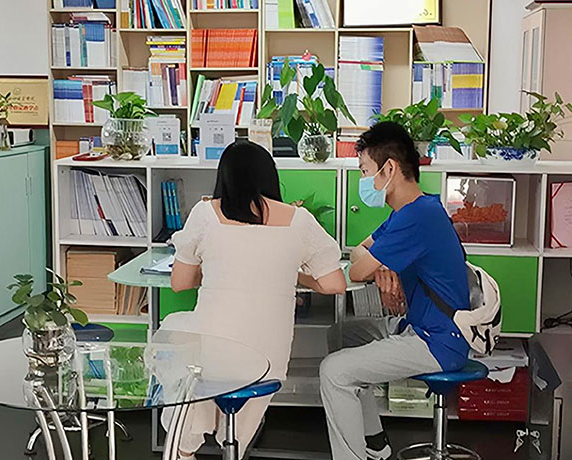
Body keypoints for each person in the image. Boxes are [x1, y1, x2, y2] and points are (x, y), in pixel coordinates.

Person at [166, 140, 347, 460]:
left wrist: (211, 269)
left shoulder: (205, 213)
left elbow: (179, 283)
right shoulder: (300, 220)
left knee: (175, 334)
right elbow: (334, 284)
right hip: (268, 364)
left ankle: (184, 444)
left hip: (214, 360)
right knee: (217, 360)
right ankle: (230, 440)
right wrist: (294, 273)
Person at [320, 122, 470, 460]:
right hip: (419, 327)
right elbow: (360, 252)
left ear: (389, 169)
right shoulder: (411, 210)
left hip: (438, 340)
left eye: (365, 171)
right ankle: (375, 443)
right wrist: (384, 266)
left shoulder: (418, 216)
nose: (363, 180)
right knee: (341, 335)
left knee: (334, 371)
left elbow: (356, 270)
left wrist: (375, 264)